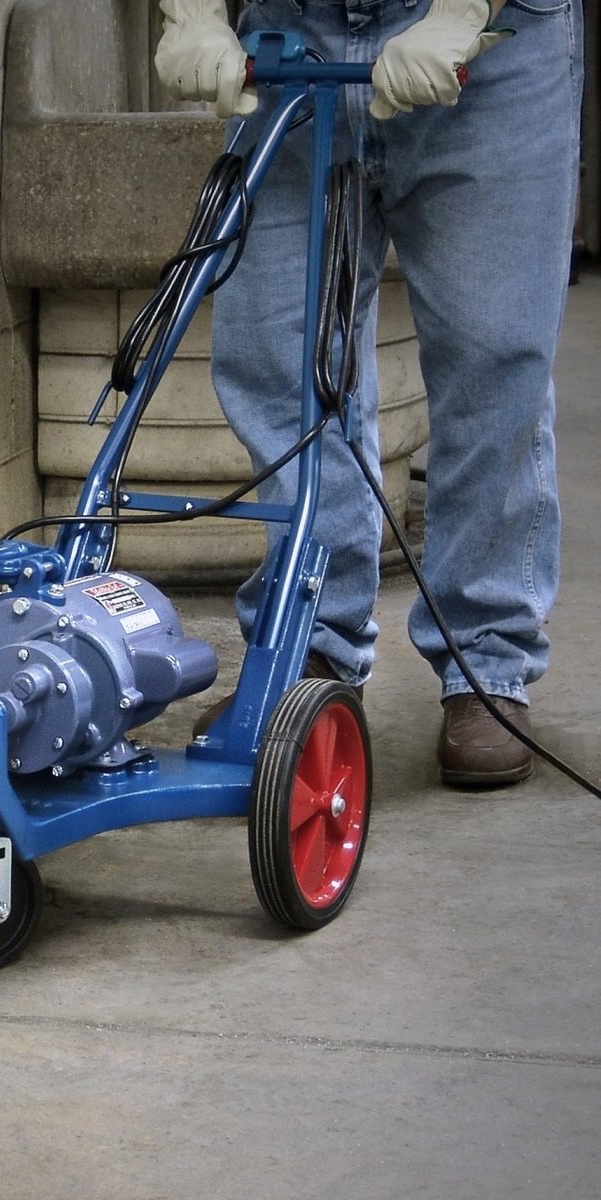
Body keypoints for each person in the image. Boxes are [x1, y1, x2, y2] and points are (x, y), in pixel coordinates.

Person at [155, 0, 584, 786]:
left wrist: (462, 8)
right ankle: (309, 637)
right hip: (292, 36)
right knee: (279, 353)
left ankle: (484, 663)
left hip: (493, 47)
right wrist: (190, 12)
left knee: (492, 361)